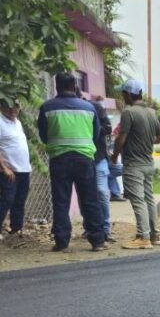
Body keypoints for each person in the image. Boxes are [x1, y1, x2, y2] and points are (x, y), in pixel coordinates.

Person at [37, 73, 107, 252]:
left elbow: (44, 136)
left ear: (57, 86)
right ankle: (97, 240)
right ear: (74, 86)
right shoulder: (88, 108)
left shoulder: (47, 107)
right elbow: (96, 134)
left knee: (61, 201)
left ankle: (61, 241)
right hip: (84, 159)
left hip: (59, 160)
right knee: (90, 199)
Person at [111, 79, 160, 249]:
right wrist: (145, 141)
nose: (122, 96)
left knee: (138, 200)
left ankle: (143, 237)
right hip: (148, 163)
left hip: (133, 164)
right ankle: (155, 235)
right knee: (148, 199)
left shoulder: (129, 112)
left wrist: (114, 155)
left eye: (123, 93)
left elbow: (121, 138)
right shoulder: (151, 112)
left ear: (128, 94)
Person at [0, 98, 32, 243]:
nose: (14, 111)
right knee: (7, 199)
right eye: (10, 108)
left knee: (20, 200)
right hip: (9, 170)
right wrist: (4, 167)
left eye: (16, 107)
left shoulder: (18, 123)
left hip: (24, 168)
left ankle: (16, 229)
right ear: (2, 107)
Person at [88, 95, 115, 242]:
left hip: (99, 158)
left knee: (102, 192)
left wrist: (93, 128)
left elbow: (107, 128)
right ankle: (90, 228)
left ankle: (106, 228)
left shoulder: (96, 108)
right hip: (84, 159)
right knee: (86, 196)